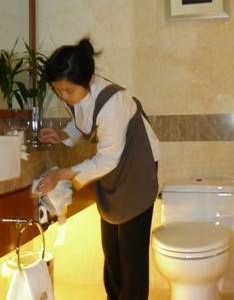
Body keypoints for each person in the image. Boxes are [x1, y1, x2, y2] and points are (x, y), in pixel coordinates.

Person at [36, 38, 159, 300]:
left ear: (88, 80)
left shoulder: (113, 102)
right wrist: (62, 135)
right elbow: (84, 121)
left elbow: (106, 160)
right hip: (114, 168)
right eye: (58, 91)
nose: (63, 96)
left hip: (137, 167)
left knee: (132, 254)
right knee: (111, 248)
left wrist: (61, 174)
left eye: (67, 91)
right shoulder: (78, 93)